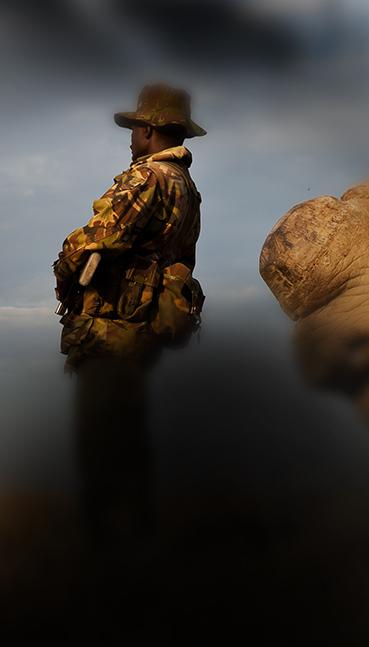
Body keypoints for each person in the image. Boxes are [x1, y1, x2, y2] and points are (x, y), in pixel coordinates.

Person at [53, 83, 205, 544]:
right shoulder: (188, 188)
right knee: (130, 436)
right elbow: (184, 259)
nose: (132, 136)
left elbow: (93, 241)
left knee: (98, 440)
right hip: (146, 330)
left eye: (137, 126)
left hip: (109, 327)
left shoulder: (145, 178)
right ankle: (139, 544)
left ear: (150, 130)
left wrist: (65, 266)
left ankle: (104, 555)